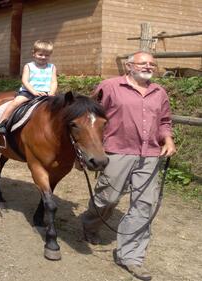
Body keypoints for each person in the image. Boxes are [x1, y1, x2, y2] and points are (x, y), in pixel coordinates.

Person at [81, 51, 176, 281]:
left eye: (152, 63)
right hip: (117, 150)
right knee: (108, 198)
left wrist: (168, 139)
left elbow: (164, 121)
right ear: (129, 66)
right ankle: (90, 225)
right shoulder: (109, 87)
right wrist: (91, 148)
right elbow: (90, 118)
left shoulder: (159, 92)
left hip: (149, 155)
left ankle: (131, 256)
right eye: (143, 62)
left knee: (144, 205)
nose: (148, 66)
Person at [0, 40, 57, 133]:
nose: (43, 57)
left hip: (47, 93)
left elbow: (54, 82)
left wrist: (51, 93)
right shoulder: (29, 66)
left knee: (61, 105)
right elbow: (25, 81)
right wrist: (34, 92)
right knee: (16, 102)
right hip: (28, 92)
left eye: (47, 55)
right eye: (40, 54)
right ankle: (2, 123)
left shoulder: (52, 67)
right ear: (34, 53)